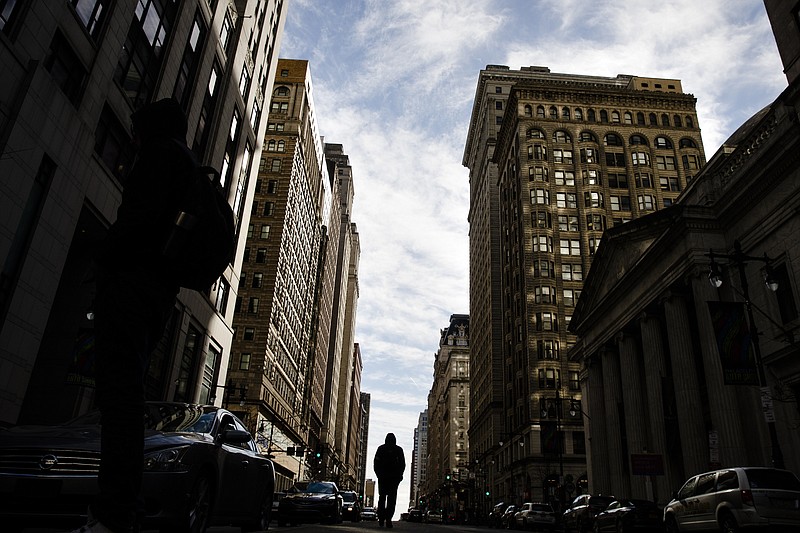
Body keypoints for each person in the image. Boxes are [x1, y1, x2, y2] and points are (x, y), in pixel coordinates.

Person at [71, 99, 194, 533]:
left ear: (150, 130)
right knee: (126, 400)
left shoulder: (159, 158)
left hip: (132, 287)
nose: (135, 139)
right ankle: (122, 508)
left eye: (138, 131)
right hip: (157, 293)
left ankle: (113, 513)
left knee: (120, 403)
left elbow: (135, 221)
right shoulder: (185, 163)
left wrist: (106, 260)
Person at [373, 432, 405, 528]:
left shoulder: (381, 449)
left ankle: (383, 518)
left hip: (386, 478)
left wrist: (379, 474)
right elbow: (402, 464)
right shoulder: (398, 450)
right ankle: (387, 519)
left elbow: (376, 463)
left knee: (382, 498)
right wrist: (399, 475)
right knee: (391, 499)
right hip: (390, 478)